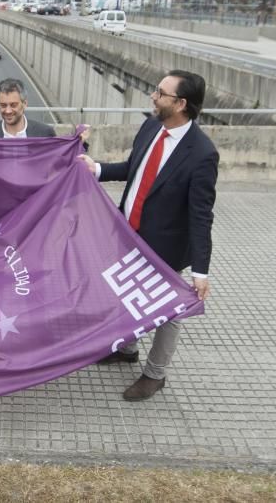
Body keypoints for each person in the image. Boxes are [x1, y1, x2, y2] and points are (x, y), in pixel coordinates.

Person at [79, 69, 218, 402]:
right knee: (126, 290)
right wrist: (96, 169)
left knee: (166, 313)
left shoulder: (202, 154)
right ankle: (127, 349)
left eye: (160, 93)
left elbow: (201, 217)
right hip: (128, 233)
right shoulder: (151, 125)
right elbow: (133, 168)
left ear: (181, 104)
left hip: (165, 249)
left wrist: (201, 271)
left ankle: (155, 375)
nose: (153, 97)